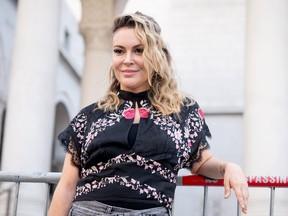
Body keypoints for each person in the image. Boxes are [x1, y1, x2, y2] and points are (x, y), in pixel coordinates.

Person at [48, 11, 248, 216]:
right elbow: (66, 186)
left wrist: (228, 167)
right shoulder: (89, 116)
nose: (127, 60)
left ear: (156, 55)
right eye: (119, 51)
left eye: (138, 50)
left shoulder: (183, 111)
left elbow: (202, 162)